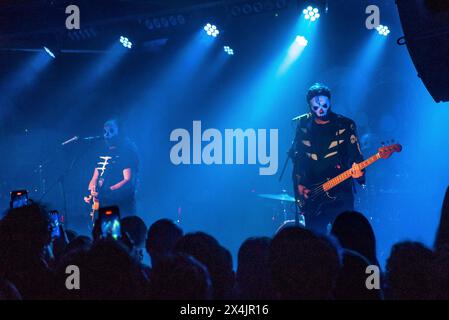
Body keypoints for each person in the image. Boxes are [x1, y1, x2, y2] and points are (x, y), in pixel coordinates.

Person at [291, 83, 365, 233]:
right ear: (309, 105)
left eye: (324, 105)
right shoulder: (303, 126)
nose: (321, 109)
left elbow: (356, 156)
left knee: (346, 235)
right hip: (314, 194)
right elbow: (298, 159)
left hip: (340, 193)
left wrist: (359, 172)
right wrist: (299, 184)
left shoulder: (345, 124)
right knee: (315, 240)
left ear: (330, 101)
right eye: (316, 106)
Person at [84, 119, 139, 217]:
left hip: (121, 205)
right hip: (103, 204)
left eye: (111, 131)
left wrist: (109, 190)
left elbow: (127, 180)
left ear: (120, 133)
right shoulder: (101, 153)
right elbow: (95, 177)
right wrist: (91, 193)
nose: (107, 135)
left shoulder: (126, 153)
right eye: (105, 132)